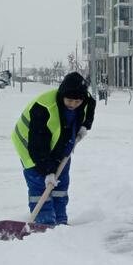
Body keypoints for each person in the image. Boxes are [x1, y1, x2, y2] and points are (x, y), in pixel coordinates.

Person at [11, 72, 96, 225]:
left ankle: (60, 220)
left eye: (77, 101)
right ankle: (44, 222)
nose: (73, 104)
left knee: (60, 185)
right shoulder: (44, 109)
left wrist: (85, 125)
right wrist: (48, 171)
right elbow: (37, 147)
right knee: (40, 185)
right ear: (62, 94)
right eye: (69, 100)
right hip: (31, 147)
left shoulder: (83, 100)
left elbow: (90, 104)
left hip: (60, 145)